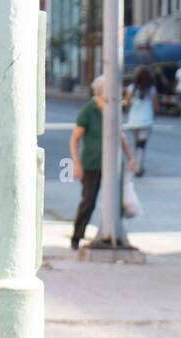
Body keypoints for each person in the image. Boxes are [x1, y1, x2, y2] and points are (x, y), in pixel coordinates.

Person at [70, 74, 135, 250]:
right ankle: (77, 236)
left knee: (117, 202)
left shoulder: (114, 109)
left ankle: (113, 233)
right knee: (88, 202)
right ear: (100, 93)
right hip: (91, 164)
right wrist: (76, 164)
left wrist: (130, 158)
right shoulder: (88, 110)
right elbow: (75, 138)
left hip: (114, 165)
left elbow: (121, 135)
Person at [126, 67, 156, 178]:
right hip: (146, 121)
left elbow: (127, 103)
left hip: (133, 120)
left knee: (137, 144)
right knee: (142, 145)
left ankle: (137, 165)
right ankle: (138, 167)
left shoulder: (131, 89)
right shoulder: (152, 90)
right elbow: (155, 105)